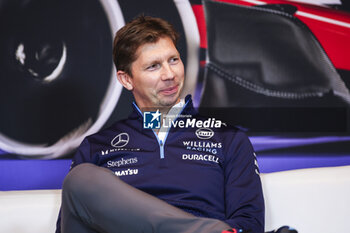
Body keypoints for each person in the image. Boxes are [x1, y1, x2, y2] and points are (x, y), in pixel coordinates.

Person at [56, 15, 264, 233]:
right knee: (80, 179)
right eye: (154, 66)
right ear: (126, 79)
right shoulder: (96, 146)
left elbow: (249, 224)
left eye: (173, 60)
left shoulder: (228, 139)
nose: (170, 74)